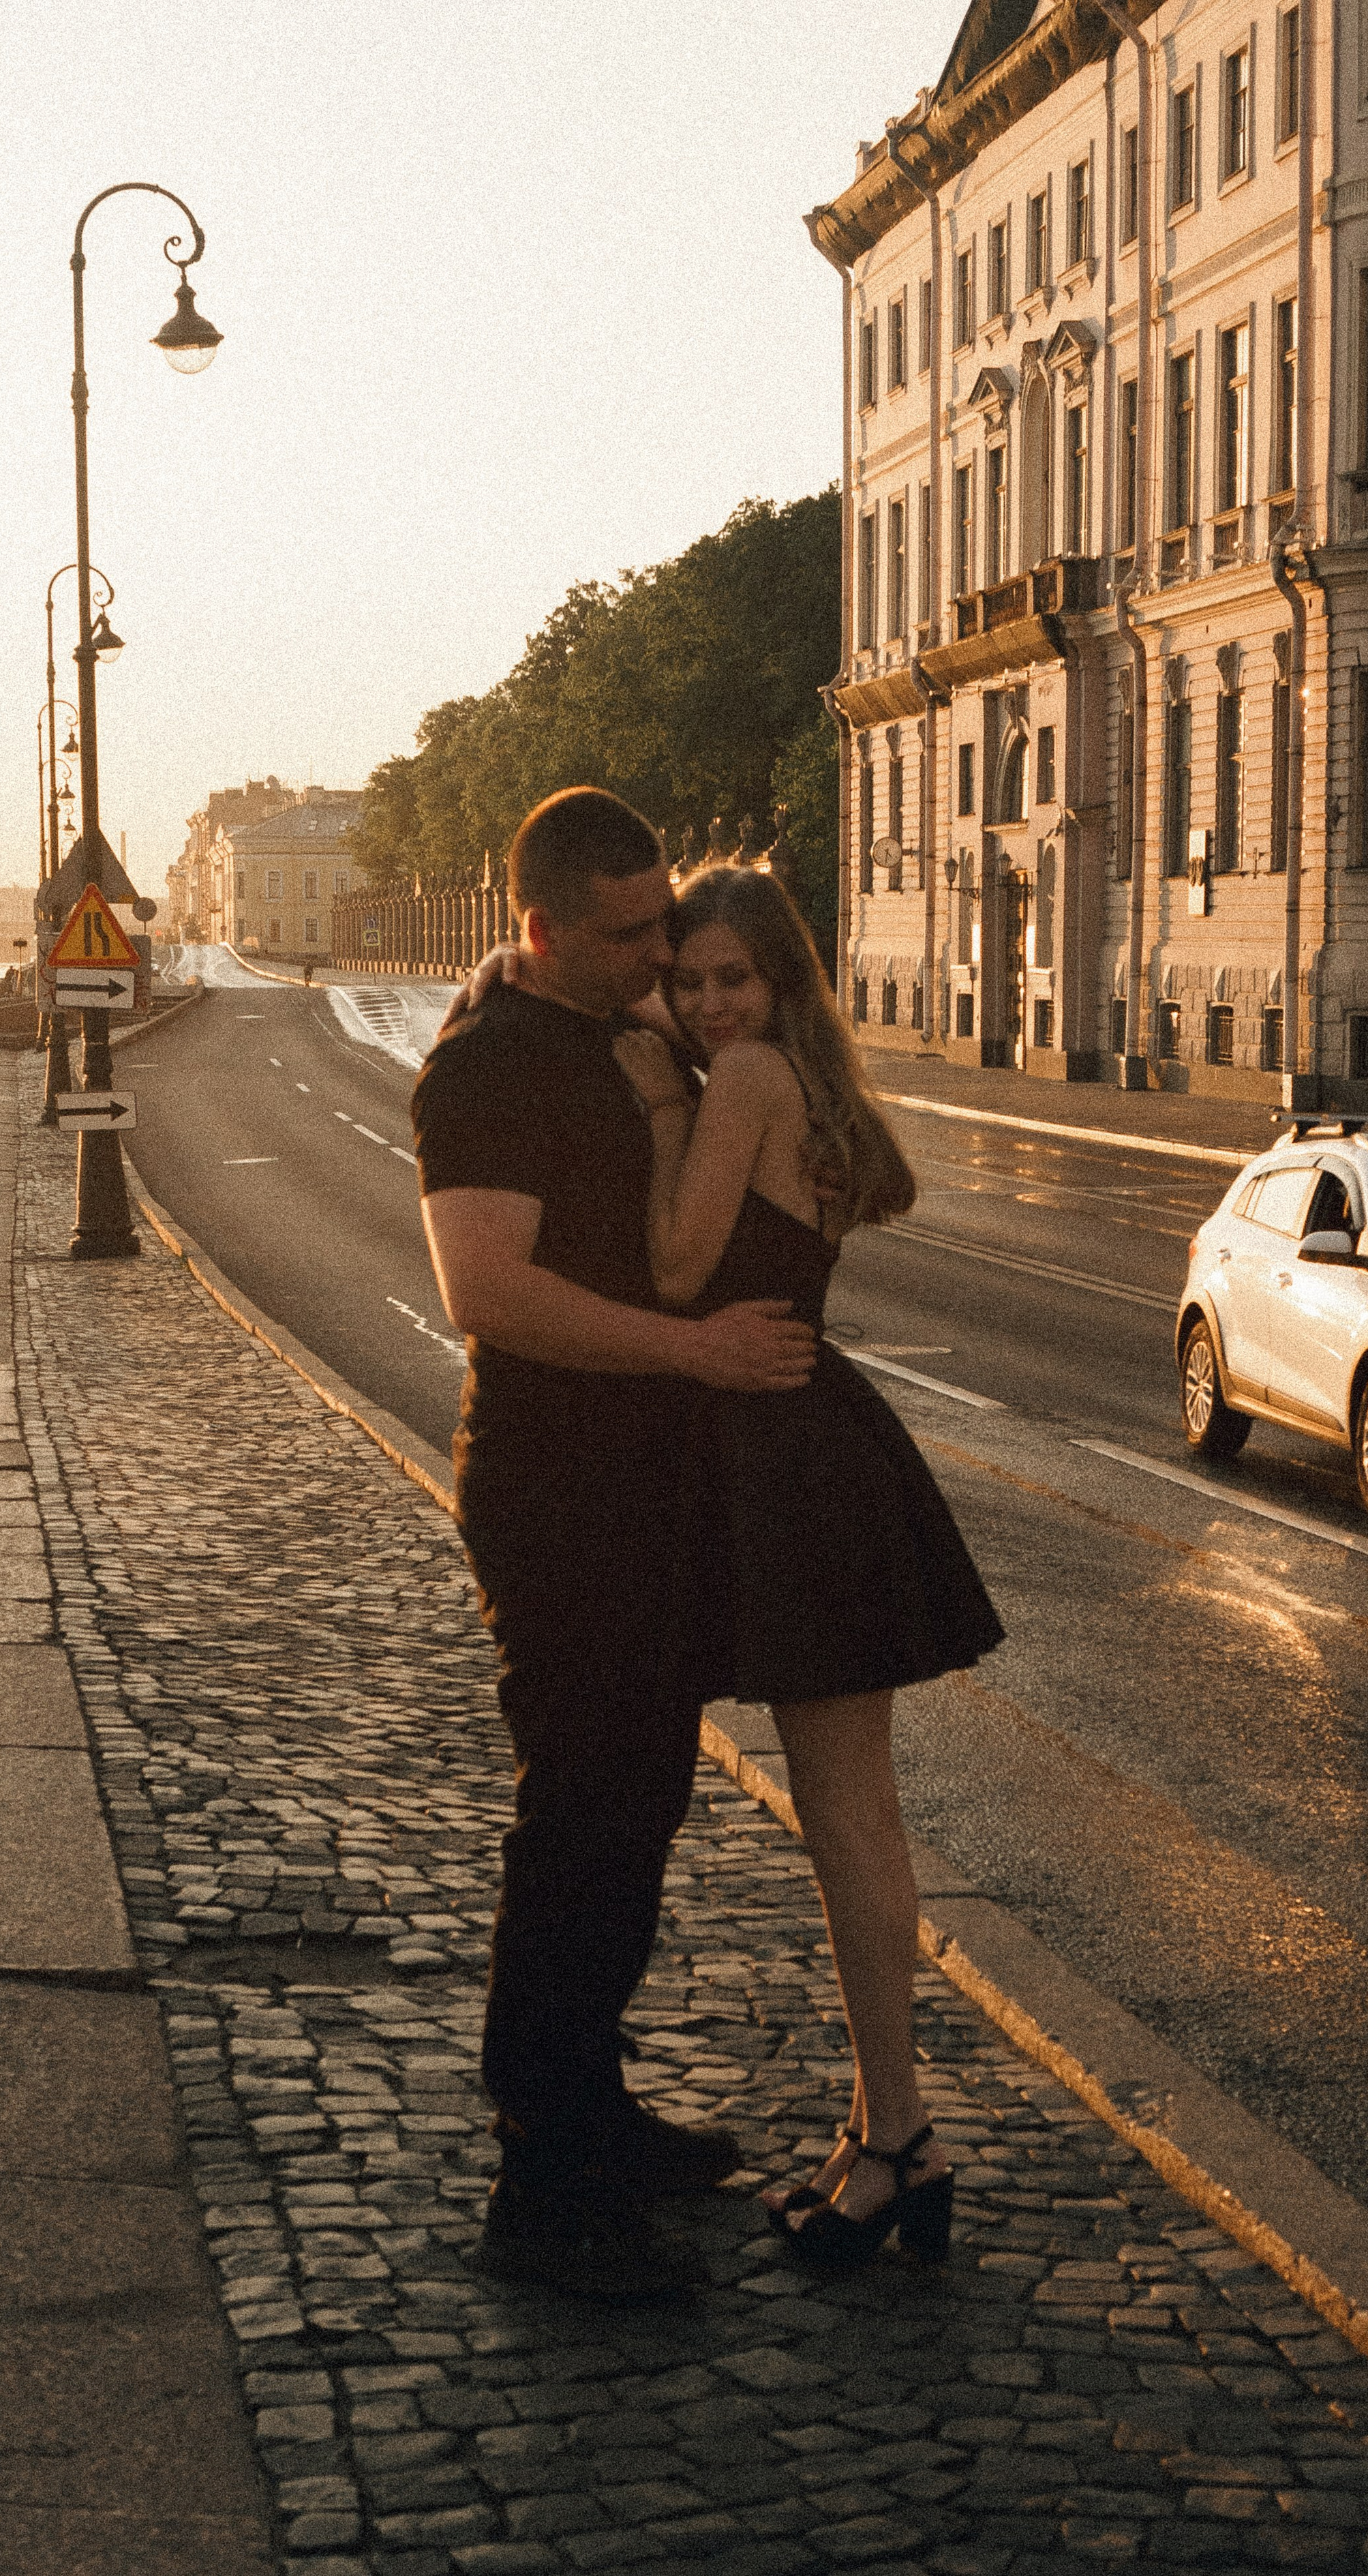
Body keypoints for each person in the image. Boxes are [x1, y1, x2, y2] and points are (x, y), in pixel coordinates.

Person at [410, 789, 815, 2301]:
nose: (657, 957)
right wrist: (688, 1350)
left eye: (663, 926)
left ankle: (594, 2105)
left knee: (636, 1805)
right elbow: (484, 1293)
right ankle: (545, 2174)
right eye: (626, 934)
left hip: (645, 1483)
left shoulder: (601, 1018)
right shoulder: (489, 1064)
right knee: (578, 1811)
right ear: (539, 931)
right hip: (552, 1486)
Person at [609, 865, 1004, 2268]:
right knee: (858, 1821)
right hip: (812, 1441)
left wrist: (660, 1094)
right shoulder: (806, 1082)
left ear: (777, 981)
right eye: (690, 979)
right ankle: (876, 2130)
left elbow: (669, 1267)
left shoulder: (745, 1084)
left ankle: (899, 2137)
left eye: (732, 977)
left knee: (847, 1826)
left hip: (781, 1462)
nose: (709, 1002)